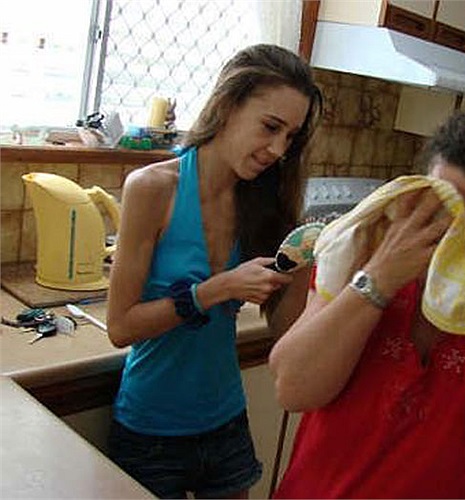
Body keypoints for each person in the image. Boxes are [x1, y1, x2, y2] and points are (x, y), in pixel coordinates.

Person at [269, 108, 465, 499]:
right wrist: (379, 278)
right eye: (441, 216)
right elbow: (293, 389)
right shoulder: (358, 259)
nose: (455, 246)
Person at [106, 44, 322, 499]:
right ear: (227, 105)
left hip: (226, 423)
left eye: (290, 137)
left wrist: (306, 260)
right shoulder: (153, 189)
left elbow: (284, 332)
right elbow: (121, 327)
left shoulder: (264, 204)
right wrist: (217, 289)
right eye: (271, 127)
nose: (278, 150)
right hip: (150, 431)